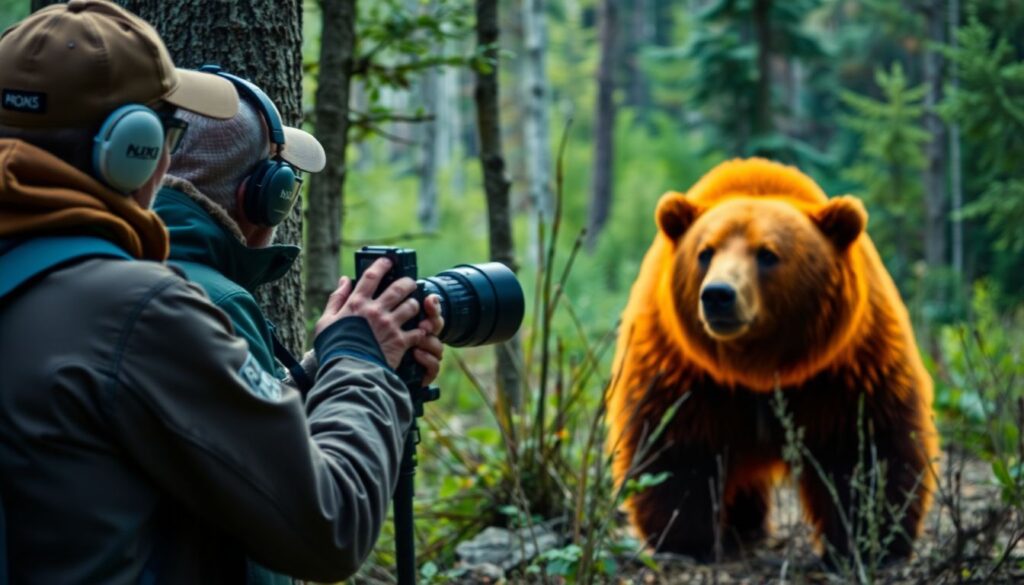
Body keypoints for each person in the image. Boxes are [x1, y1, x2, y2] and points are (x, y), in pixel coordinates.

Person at [0, 2, 442, 583]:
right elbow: (329, 526)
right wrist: (362, 362)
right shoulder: (136, 311)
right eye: (168, 133)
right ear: (131, 149)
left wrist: (314, 376)